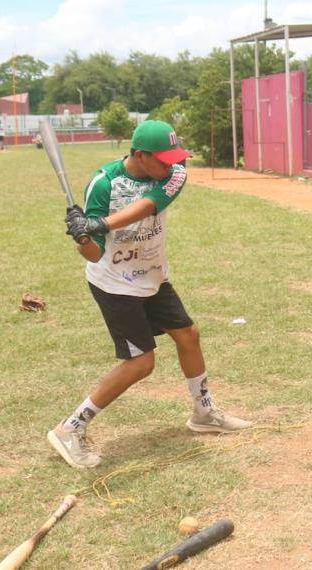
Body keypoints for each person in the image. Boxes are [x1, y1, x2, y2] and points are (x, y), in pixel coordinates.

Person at [48, 120, 252, 470]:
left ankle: (203, 413)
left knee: (188, 335)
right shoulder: (104, 184)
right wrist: (83, 236)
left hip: (154, 275)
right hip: (115, 283)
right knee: (141, 362)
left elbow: (148, 205)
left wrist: (102, 224)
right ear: (139, 155)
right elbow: (96, 253)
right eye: (163, 158)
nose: (172, 164)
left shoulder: (174, 174)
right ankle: (70, 428)